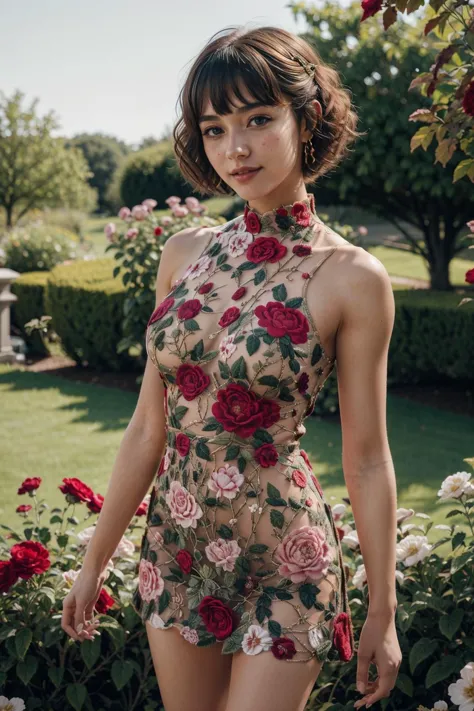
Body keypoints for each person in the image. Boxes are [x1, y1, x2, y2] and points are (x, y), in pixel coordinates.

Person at [61, 24, 402, 711]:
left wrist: (382, 610)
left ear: (306, 118)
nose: (235, 148)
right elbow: (145, 431)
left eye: (258, 119)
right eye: (214, 128)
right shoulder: (183, 255)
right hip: (177, 548)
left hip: (288, 561)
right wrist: (96, 558)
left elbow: (367, 459)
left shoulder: (352, 278)